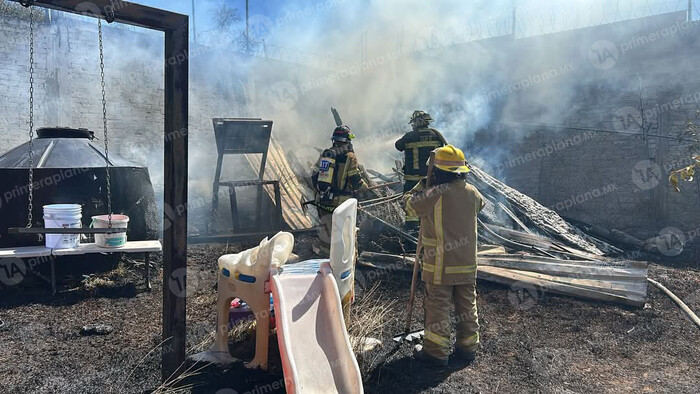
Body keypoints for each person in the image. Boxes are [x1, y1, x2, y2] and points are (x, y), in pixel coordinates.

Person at [404, 145, 484, 367]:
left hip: (440, 264)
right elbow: (481, 206)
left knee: (438, 306)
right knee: (467, 306)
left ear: (437, 172)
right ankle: (468, 348)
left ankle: (436, 353)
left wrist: (421, 186)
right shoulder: (472, 192)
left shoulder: (433, 194)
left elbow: (409, 207)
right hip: (467, 264)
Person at [311, 125, 367, 256]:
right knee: (344, 233)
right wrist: (364, 188)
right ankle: (343, 260)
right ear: (347, 140)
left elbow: (314, 175)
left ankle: (325, 261)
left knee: (326, 234)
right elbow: (355, 179)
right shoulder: (350, 157)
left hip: (324, 201)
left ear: (334, 140)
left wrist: (320, 192)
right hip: (342, 204)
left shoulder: (326, 154)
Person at [395, 110, 447, 237]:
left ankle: (412, 233)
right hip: (431, 179)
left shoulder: (410, 136)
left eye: (413, 123)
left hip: (413, 180)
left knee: (411, 205)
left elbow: (398, 146)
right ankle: (431, 230)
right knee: (432, 203)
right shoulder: (437, 136)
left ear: (417, 122)